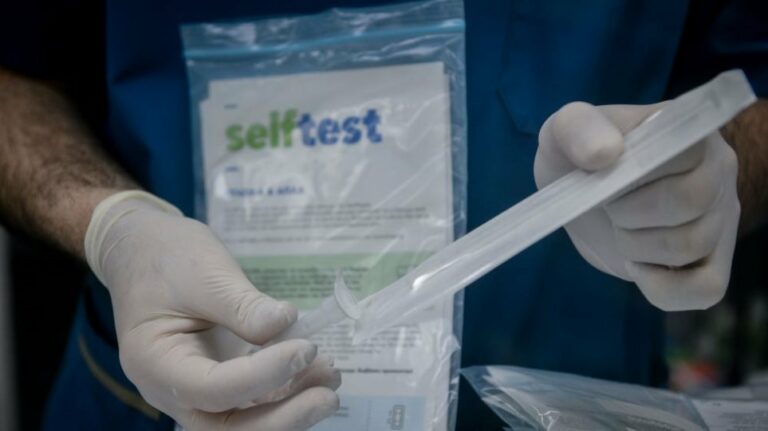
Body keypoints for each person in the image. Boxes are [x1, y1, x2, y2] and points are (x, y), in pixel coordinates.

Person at [0, 0, 766, 430]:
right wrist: (113, 223)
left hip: (559, 390)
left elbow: (752, 76)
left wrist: (693, 174)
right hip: (155, 398)